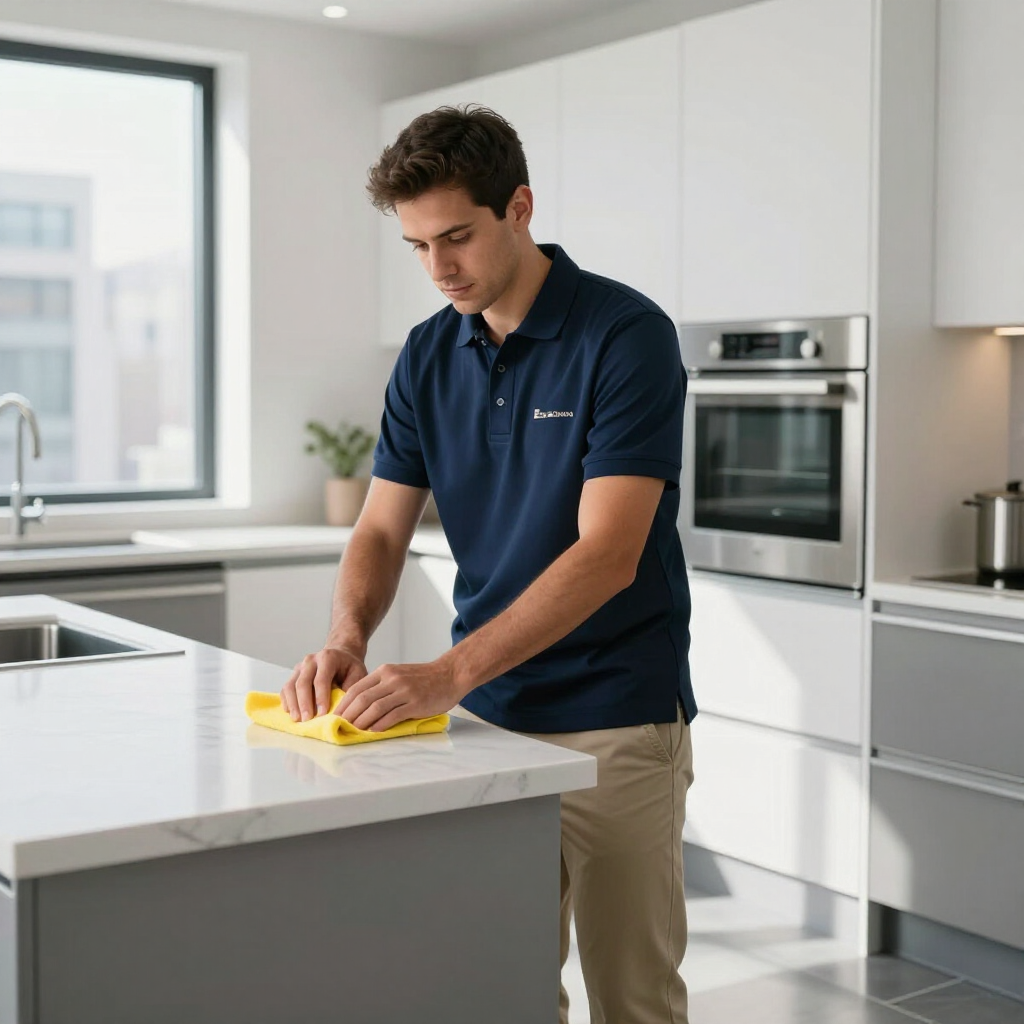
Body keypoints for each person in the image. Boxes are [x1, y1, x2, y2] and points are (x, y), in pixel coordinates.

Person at [281, 105, 697, 1024]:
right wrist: (347, 638)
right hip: (489, 719)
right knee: (497, 985)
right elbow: (382, 530)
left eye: (457, 237)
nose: (439, 269)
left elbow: (608, 553)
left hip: (615, 718)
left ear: (519, 207)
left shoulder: (623, 335)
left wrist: (448, 671)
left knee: (633, 1001)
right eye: (418, 246)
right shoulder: (429, 353)